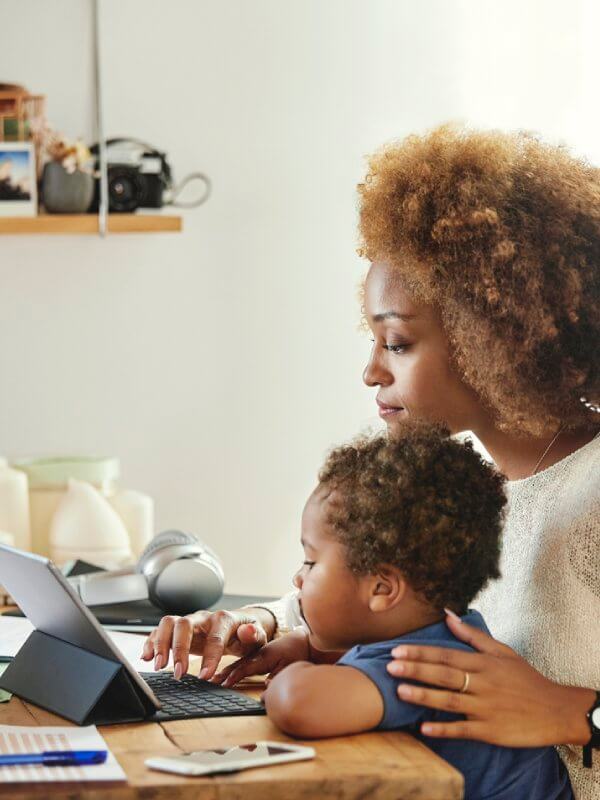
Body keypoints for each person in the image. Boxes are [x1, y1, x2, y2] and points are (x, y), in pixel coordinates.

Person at [141, 126, 600, 797]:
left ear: (498, 338)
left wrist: (575, 712)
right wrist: (266, 624)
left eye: (398, 342)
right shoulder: (467, 485)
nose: (370, 371)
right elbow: (393, 601)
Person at [216, 425, 573, 800]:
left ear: (382, 589)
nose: (298, 578)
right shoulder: (456, 633)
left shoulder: (423, 665)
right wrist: (307, 648)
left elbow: (299, 705)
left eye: (310, 561)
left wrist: (292, 678)